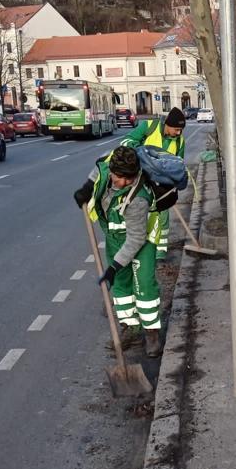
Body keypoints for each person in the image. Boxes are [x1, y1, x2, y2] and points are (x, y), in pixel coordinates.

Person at [73, 145, 163, 358]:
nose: (120, 182)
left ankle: (152, 334)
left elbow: (136, 239)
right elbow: (99, 169)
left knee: (144, 288)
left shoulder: (138, 198)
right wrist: (86, 188)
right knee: (121, 288)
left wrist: (114, 267)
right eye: (117, 176)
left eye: (126, 179)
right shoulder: (107, 170)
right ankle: (131, 327)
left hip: (142, 241)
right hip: (114, 238)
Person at [121, 107, 186, 260]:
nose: (178, 133)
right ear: (167, 125)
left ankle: (160, 251)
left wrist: (174, 184)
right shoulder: (148, 126)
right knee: (139, 214)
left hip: (161, 184)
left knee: (162, 216)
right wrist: (140, 152)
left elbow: (179, 164)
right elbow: (125, 141)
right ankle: (137, 248)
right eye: (176, 129)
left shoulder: (180, 141)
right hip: (139, 180)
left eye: (180, 130)